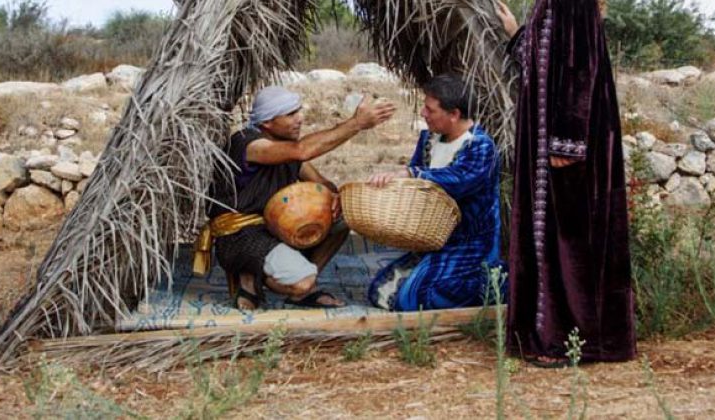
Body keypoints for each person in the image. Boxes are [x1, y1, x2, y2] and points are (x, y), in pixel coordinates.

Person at [493, 0, 636, 365]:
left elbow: (580, 70)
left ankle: (575, 339)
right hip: (546, 144)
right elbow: (541, 63)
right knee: (550, 236)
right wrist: (517, 34)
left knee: (571, 238)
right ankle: (550, 333)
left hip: (568, 146)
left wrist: (567, 143)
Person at [195, 85, 396, 311]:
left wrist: (335, 197)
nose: (300, 119)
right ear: (267, 122)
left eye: (299, 111)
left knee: (342, 218)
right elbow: (302, 151)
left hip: (275, 230)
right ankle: (253, 280)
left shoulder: (287, 150)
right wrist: (356, 123)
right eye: (291, 114)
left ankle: (300, 289)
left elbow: (322, 183)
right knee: (302, 282)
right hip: (241, 237)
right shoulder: (248, 143)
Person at [365, 75, 505, 311]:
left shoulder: (480, 146)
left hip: (469, 242)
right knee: (379, 291)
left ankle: (498, 281)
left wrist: (412, 174)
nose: (423, 113)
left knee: (411, 300)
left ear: (454, 114)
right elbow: (416, 187)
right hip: (434, 239)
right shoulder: (429, 140)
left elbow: (459, 179)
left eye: (430, 109)